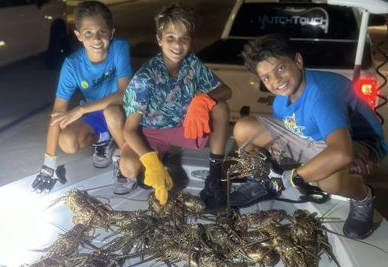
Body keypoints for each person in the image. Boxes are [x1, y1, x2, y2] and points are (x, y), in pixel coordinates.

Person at [232, 33, 388, 239]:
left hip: (358, 144)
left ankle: (363, 197)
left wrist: (290, 179)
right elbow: (291, 132)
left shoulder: (321, 96)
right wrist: (278, 157)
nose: (276, 80)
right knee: (244, 128)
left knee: (329, 180)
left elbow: (341, 153)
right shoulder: (281, 100)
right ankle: (260, 181)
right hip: (316, 139)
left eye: (280, 68)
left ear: (297, 61)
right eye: (266, 77)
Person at [120, 3, 232, 208]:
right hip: (150, 132)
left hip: (183, 125)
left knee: (220, 107)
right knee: (129, 167)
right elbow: (129, 129)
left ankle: (215, 178)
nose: (177, 45)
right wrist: (151, 163)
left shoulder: (192, 62)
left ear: (191, 41)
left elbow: (227, 91)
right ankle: (157, 159)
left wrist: (202, 100)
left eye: (184, 38)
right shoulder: (145, 78)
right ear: (159, 40)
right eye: (170, 38)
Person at [31, 1, 136, 195]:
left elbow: (123, 94)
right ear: (78, 35)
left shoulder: (120, 47)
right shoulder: (72, 65)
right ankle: (104, 140)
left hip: (123, 111)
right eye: (88, 33)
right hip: (96, 115)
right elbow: (58, 113)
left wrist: (80, 109)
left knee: (112, 112)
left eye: (102, 31)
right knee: (68, 141)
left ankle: (126, 159)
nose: (96, 39)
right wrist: (48, 165)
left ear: (111, 32)